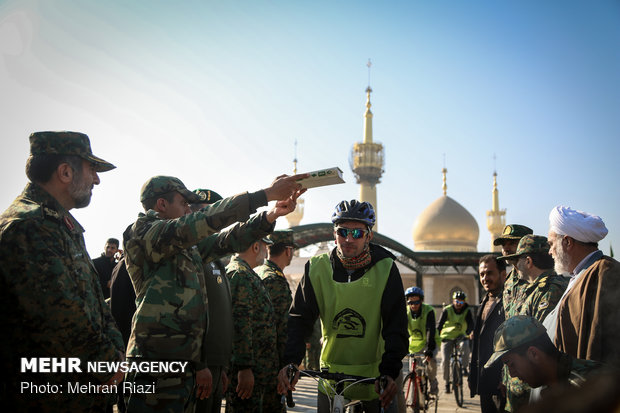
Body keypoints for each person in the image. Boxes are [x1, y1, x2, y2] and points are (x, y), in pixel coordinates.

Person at [123, 174, 304, 412]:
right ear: (162, 205)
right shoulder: (145, 233)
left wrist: (271, 214)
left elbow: (227, 240)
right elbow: (202, 221)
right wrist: (264, 195)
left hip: (185, 363)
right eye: (183, 203)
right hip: (155, 361)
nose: (188, 209)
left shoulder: (187, 247)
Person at [0, 131, 124, 411]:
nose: (96, 179)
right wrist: (107, 363)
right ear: (65, 172)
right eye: (91, 169)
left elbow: (95, 303)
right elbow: (58, 318)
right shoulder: (27, 226)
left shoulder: (62, 225)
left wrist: (116, 354)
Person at [278, 200, 408, 413]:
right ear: (333, 234)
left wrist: (390, 371)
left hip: (376, 376)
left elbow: (397, 326)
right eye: (342, 232)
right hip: (331, 375)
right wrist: (290, 361)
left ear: (369, 236)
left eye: (357, 233)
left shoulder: (386, 268)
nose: (348, 239)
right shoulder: (317, 268)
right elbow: (300, 319)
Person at [190, 188, 279, 413]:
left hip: (217, 364)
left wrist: (223, 368)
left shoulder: (216, 260)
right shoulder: (190, 256)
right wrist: (238, 367)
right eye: (204, 214)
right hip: (200, 364)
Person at [545, 206, 620, 369]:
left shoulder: (605, 274)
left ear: (567, 242)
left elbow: (601, 345)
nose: (550, 252)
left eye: (551, 244)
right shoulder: (578, 276)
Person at [485, 316, 603, 407]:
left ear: (534, 354)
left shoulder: (589, 387)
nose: (512, 374)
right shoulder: (550, 388)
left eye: (512, 364)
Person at [226, 237, 279, 412]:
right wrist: (244, 368)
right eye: (265, 247)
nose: (266, 253)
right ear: (256, 246)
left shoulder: (246, 273)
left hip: (259, 370)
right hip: (250, 373)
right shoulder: (240, 275)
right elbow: (240, 322)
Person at [257, 229, 297, 412]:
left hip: (255, 363)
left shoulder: (259, 272)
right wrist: (286, 367)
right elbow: (282, 329)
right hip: (270, 367)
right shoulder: (276, 281)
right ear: (288, 250)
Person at [493, 223, 533, 412]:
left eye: (512, 242)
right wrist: (505, 375)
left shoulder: (537, 278)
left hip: (533, 366)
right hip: (513, 370)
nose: (506, 248)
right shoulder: (509, 281)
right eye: (503, 243)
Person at [469, 255, 506, 413]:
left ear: (503, 274)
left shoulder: (509, 302)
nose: (485, 278)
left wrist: (505, 377)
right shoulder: (484, 302)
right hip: (485, 380)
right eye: (482, 274)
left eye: (490, 273)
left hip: (501, 383)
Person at [500, 235, 568, 322]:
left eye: (519, 259)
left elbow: (540, 332)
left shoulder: (548, 290)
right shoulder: (537, 288)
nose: (517, 264)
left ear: (528, 261)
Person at [437, 290, 474, 393]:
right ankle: (447, 383)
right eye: (457, 301)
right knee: (445, 360)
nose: (459, 304)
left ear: (464, 302)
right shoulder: (447, 310)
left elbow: (471, 323)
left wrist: (471, 331)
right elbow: (440, 324)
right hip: (447, 337)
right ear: (453, 301)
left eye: (461, 302)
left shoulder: (467, 310)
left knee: (465, 346)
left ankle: (464, 367)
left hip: (461, 336)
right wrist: (437, 335)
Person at [404, 286, 438, 394]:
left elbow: (430, 330)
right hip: (414, 344)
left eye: (417, 302)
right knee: (414, 370)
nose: (413, 305)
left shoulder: (429, 311)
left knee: (430, 362)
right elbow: (402, 330)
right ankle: (416, 397)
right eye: (410, 303)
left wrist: (429, 349)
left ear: (421, 301)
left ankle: (433, 381)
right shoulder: (405, 312)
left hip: (430, 341)